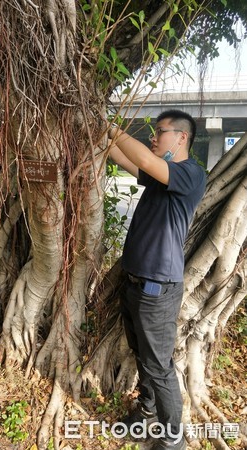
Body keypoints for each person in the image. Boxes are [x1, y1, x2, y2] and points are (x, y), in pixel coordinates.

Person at [108, 110, 206, 450]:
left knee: (159, 367)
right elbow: (128, 161)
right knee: (142, 356)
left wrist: (110, 127)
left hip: (157, 290)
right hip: (135, 284)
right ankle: (147, 410)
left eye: (160, 131)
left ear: (181, 138)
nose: (153, 136)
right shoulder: (162, 176)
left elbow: (147, 162)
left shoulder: (190, 174)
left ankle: (172, 439)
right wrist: (103, 139)